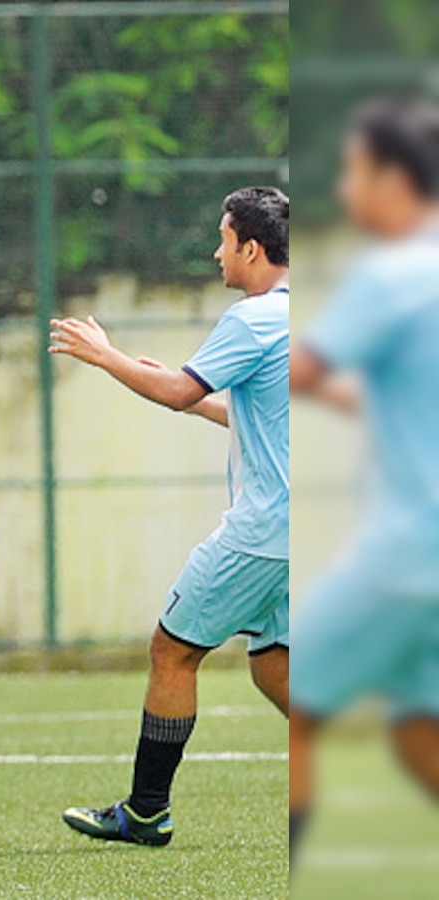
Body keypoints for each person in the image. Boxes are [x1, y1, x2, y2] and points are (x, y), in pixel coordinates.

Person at [53, 186, 289, 845]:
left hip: (264, 532)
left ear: (251, 247)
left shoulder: (256, 319)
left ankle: (147, 810)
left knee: (173, 649)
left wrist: (109, 357)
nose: (216, 254)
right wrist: (177, 391)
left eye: (223, 240)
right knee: (275, 665)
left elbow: (181, 389)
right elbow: (256, 414)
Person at [288, 98, 439, 858]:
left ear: (392, 176)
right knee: (418, 729)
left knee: (297, 694)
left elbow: (300, 366)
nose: (346, 192)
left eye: (353, 172)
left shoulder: (393, 275)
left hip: (411, 549)